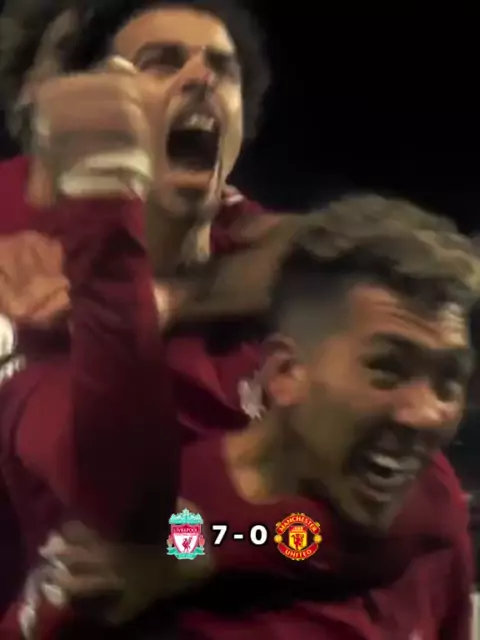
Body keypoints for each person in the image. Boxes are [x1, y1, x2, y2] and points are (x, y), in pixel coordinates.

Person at [32, 196, 479, 638]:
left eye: (449, 380)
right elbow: (190, 538)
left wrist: (211, 554)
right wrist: (186, 553)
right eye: (387, 369)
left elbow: (286, 540)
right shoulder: (157, 520)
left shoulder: (431, 501)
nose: (427, 414)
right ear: (286, 372)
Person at [0, 0, 281, 628]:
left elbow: (332, 534)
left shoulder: (292, 295)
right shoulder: (33, 299)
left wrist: (203, 551)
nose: (200, 78)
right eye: (160, 62)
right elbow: (122, 508)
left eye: (222, 70)